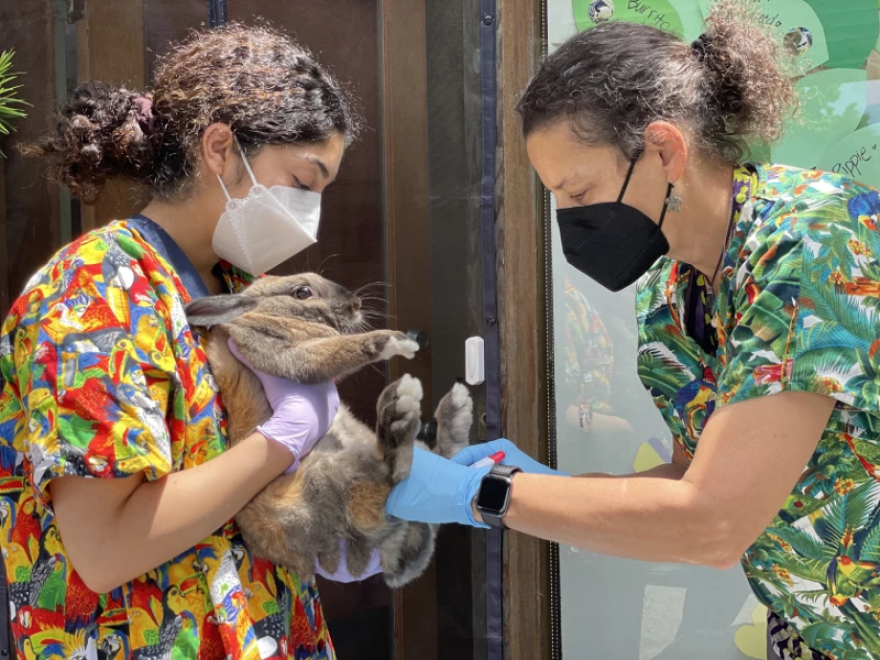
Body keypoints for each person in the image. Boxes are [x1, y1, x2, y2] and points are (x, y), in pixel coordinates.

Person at [385, 2, 880, 658]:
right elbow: (691, 481)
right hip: (821, 631)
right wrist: (549, 490)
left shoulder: (809, 242)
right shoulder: (669, 296)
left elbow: (713, 524)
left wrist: (488, 494)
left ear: (665, 150)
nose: (567, 221)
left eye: (580, 193)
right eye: (556, 197)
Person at [0, 23, 377, 659]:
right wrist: (279, 441)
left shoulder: (241, 287)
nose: (310, 217)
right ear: (220, 147)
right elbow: (106, 548)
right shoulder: (96, 291)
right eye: (304, 182)